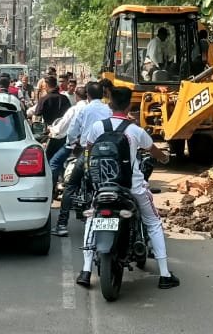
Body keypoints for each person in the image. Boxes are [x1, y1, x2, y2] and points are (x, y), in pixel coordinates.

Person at [76, 87, 178, 289]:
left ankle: (86, 270)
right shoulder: (135, 130)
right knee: (153, 222)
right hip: (133, 187)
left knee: (92, 219)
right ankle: (165, 274)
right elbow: (154, 151)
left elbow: (88, 147)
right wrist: (165, 159)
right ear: (129, 105)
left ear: (109, 104)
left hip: (103, 186)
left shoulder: (98, 127)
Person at [51, 82, 111, 236]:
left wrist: (71, 142)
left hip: (88, 153)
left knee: (71, 185)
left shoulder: (84, 110)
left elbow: (72, 132)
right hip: (109, 155)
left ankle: (62, 225)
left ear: (88, 95)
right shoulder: (109, 110)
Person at [29, 76, 72, 157]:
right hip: (64, 134)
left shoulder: (44, 99)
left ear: (47, 86)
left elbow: (37, 114)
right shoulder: (64, 98)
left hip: (49, 133)